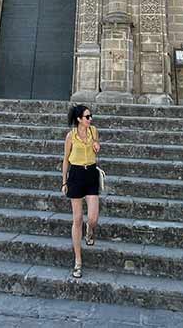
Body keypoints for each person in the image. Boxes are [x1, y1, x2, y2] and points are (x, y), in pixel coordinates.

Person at [61, 104, 101, 278]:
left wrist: (96, 146)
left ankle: (90, 230)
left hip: (91, 173)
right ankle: (78, 261)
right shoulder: (70, 136)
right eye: (87, 116)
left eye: (90, 116)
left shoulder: (93, 131)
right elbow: (65, 160)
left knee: (92, 218)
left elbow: (96, 146)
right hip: (76, 175)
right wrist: (64, 182)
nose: (90, 118)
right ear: (79, 119)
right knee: (77, 219)